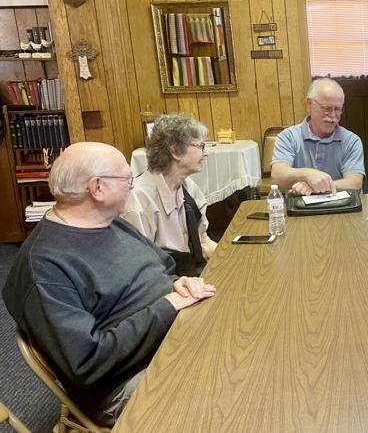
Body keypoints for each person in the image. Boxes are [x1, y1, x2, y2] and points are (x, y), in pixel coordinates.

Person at [2, 142, 216, 426]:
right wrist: (167, 306)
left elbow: (163, 266)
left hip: (175, 332)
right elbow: (89, 362)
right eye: (127, 178)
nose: (132, 185)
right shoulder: (44, 266)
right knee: (229, 393)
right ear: (97, 188)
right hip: (128, 380)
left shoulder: (108, 221)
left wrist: (180, 284)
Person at [122, 113, 216, 277]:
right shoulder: (138, 199)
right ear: (176, 151)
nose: (206, 153)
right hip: (162, 282)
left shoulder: (188, 187)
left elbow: (203, 240)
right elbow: (140, 269)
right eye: (201, 146)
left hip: (190, 276)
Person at [271, 78, 365, 195]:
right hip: (298, 203)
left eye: (338, 109)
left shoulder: (351, 141)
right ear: (309, 104)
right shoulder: (288, 137)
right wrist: (307, 174)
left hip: (339, 204)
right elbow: (277, 176)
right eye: (326, 108)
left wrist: (316, 186)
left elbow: (355, 183)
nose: (333, 115)